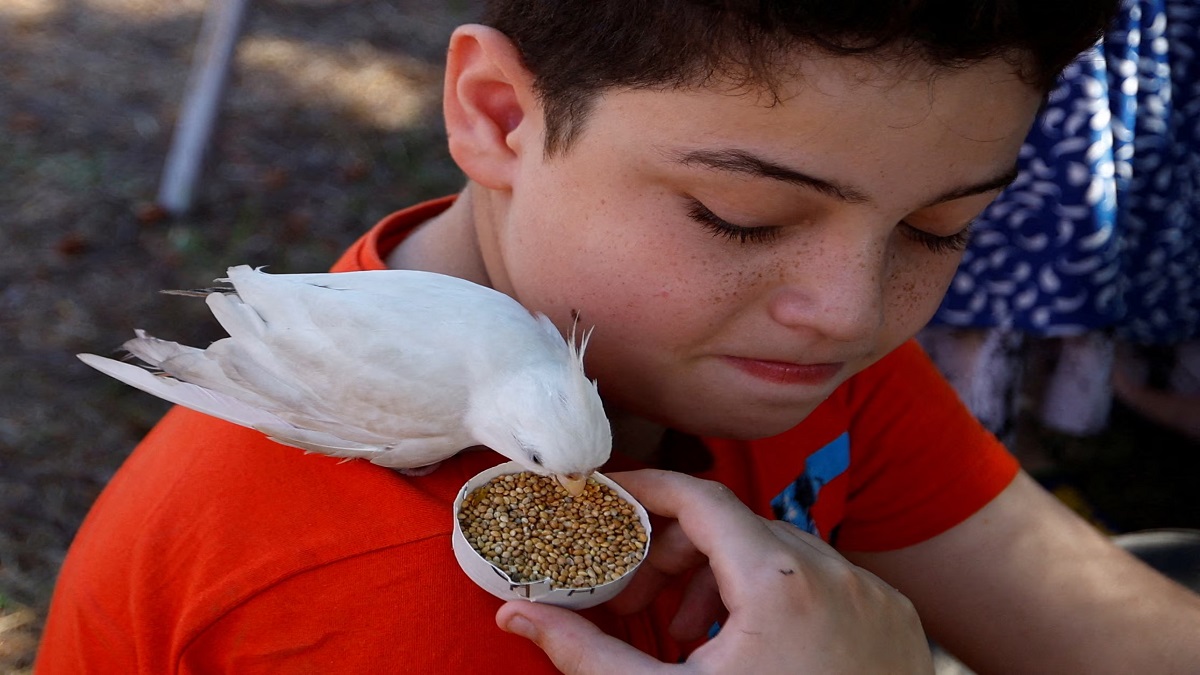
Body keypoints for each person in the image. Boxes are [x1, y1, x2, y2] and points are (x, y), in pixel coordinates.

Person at [37, 1, 1200, 673]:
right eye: (741, 215)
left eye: (943, 228)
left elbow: (1121, 636)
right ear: (500, 116)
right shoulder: (379, 609)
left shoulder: (787, 363)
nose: (854, 311)